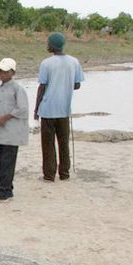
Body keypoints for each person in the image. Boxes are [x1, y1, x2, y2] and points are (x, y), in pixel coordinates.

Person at [34, 32, 84, 182]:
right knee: (64, 143)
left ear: (52, 45)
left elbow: (42, 87)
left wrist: (36, 109)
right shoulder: (74, 62)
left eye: (48, 43)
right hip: (64, 109)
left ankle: (49, 175)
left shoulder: (46, 63)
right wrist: (65, 85)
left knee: (48, 144)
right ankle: (64, 173)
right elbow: (77, 84)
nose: (47, 45)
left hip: (48, 109)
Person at [0, 58, 29, 201]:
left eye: (5, 71)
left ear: (12, 72)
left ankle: (3, 190)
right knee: (0, 160)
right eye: (0, 71)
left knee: (7, 161)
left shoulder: (17, 88)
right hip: (0, 132)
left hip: (12, 132)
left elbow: (22, 109)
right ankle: (7, 189)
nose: (2, 74)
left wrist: (7, 117)